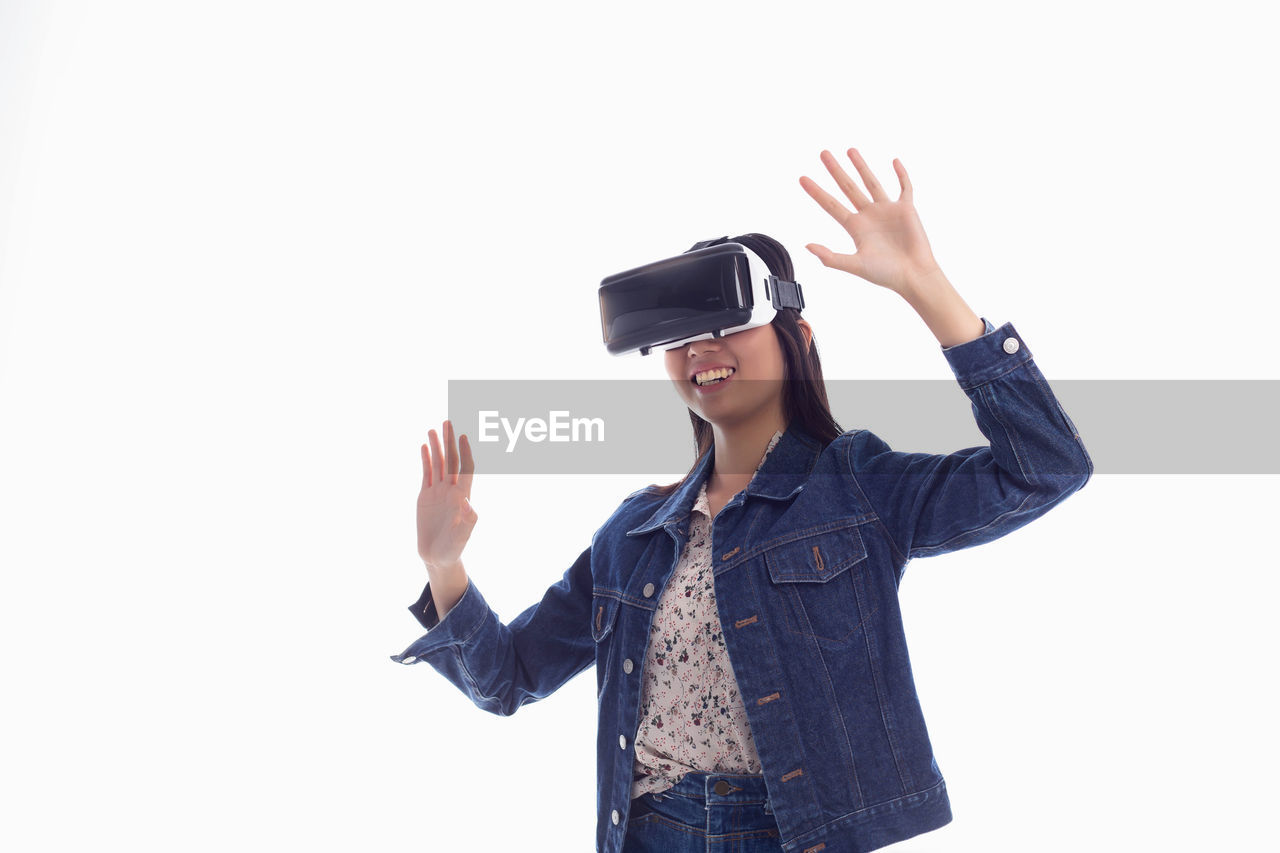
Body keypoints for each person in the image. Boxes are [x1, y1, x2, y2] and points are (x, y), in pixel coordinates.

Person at [392, 147, 1093, 853]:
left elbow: (1045, 467)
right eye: (679, 336)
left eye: (727, 324)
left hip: (793, 835)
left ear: (797, 338)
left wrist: (925, 285)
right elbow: (509, 677)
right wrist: (444, 564)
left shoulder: (854, 485)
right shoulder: (632, 533)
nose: (700, 348)